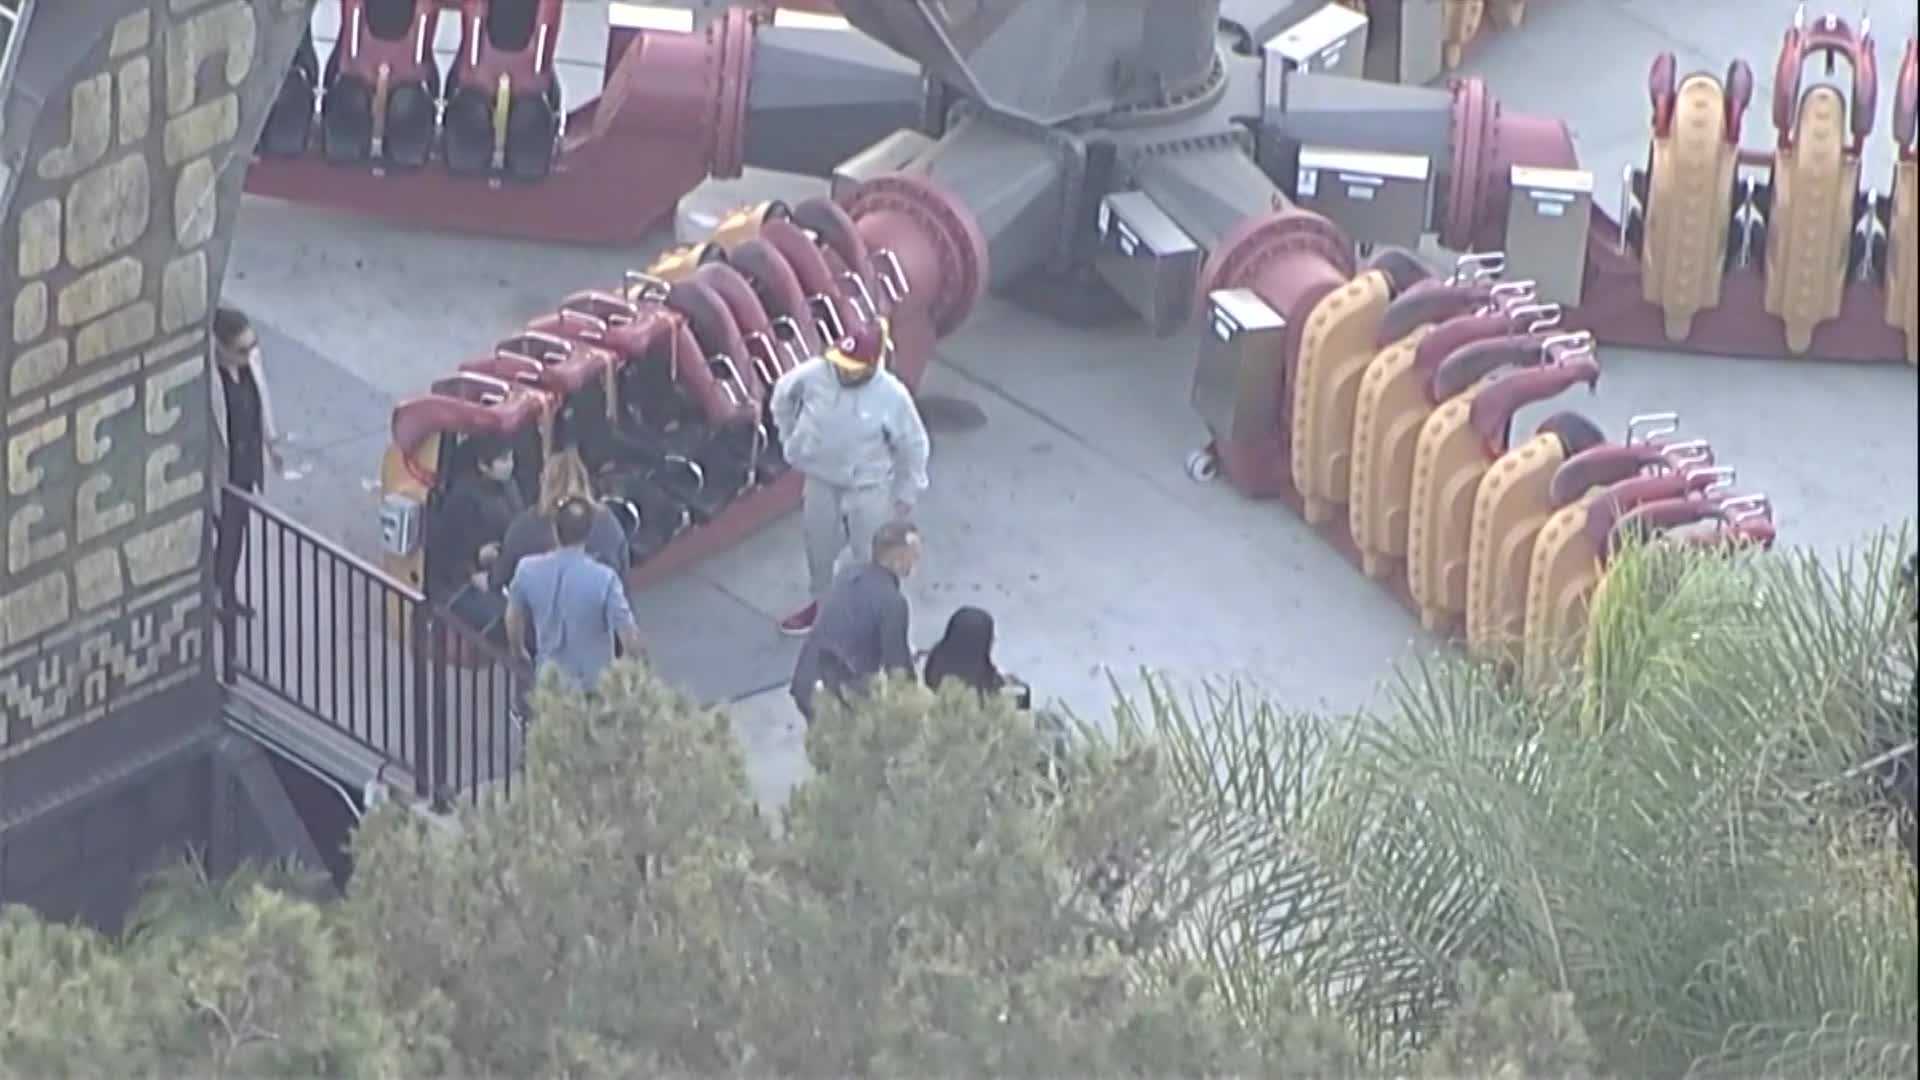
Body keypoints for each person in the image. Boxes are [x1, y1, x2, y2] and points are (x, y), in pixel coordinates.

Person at [770, 317, 931, 635]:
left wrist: (905, 493)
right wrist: (793, 441)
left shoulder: (892, 395)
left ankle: (871, 617)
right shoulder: (815, 373)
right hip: (820, 479)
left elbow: (914, 445)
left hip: (867, 487)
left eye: (852, 368)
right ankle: (821, 606)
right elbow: (782, 397)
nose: (843, 372)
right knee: (818, 546)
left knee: (869, 556)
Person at [505, 497, 645, 694]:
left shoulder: (527, 570)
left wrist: (518, 650)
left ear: (555, 529)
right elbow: (628, 635)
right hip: (595, 684)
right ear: (588, 533)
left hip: (550, 680)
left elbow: (513, 617)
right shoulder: (605, 579)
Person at [789, 520, 922, 724]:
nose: (917, 560)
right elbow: (897, 667)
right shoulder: (893, 602)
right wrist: (914, 705)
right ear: (897, 559)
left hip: (807, 677)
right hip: (837, 694)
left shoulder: (848, 574)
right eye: (914, 555)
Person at [209, 306, 284, 618]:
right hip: (221, 468)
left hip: (246, 463)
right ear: (221, 348)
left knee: (235, 533)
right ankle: (215, 593)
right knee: (220, 533)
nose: (250, 354)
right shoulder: (211, 379)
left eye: (252, 346)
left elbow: (261, 402)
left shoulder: (250, 364)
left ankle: (226, 591)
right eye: (241, 350)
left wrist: (271, 444)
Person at [491, 450, 629, 590]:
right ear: (584, 480)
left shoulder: (523, 527)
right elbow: (622, 574)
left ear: (543, 481)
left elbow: (501, 577)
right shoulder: (608, 522)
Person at [429, 435, 525, 601]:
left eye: (511, 459)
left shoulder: (510, 486)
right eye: (503, 461)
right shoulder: (463, 497)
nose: (510, 465)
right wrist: (475, 559)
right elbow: (447, 548)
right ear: (483, 465)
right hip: (469, 581)